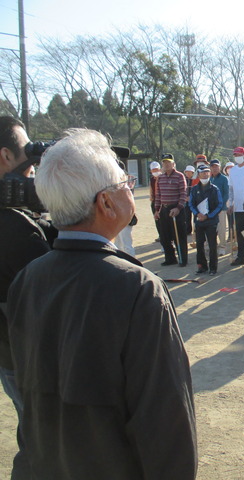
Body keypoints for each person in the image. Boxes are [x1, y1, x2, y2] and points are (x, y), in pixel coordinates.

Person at [7, 129, 197, 479]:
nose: (131, 189)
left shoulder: (28, 278)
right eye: (125, 182)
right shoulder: (138, 289)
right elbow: (166, 425)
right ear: (105, 203)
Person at [0, 116, 57, 478]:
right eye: (28, 149)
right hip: (25, 357)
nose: (33, 157)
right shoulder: (12, 226)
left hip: (12, 352)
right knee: (45, 443)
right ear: (5, 155)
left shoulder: (15, 215)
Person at [154, 154, 189, 266]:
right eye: (164, 163)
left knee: (179, 236)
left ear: (173, 164)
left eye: (169, 162)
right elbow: (158, 195)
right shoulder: (161, 177)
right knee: (165, 237)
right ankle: (170, 259)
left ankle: (182, 259)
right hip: (164, 209)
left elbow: (183, 194)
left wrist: (178, 208)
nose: (166, 165)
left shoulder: (179, 176)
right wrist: (156, 210)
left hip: (176, 209)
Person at [190, 164, 223, 275]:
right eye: (203, 172)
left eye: (207, 172)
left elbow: (220, 205)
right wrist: (197, 214)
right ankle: (202, 266)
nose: (205, 174)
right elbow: (191, 204)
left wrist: (208, 216)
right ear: (198, 174)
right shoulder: (194, 189)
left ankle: (213, 268)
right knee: (199, 245)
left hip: (211, 222)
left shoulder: (215, 189)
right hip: (199, 221)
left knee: (212, 245)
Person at [210, 159, 229, 256]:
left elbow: (226, 193)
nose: (215, 168)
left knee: (221, 228)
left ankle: (222, 247)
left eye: (216, 166)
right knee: (212, 228)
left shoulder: (224, 178)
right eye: (213, 166)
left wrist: (220, 205)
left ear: (220, 167)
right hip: (210, 209)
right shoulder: (209, 179)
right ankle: (213, 246)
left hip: (221, 208)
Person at [149, 160, 162, 242]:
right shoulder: (151, 179)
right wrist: (151, 196)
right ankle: (160, 235)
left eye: (156, 170)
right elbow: (151, 188)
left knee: (163, 220)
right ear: (151, 171)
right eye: (154, 170)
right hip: (154, 201)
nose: (155, 171)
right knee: (157, 220)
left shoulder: (163, 177)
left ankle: (166, 236)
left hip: (162, 201)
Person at [183, 164, 196, 235]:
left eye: (189, 172)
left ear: (193, 173)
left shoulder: (195, 180)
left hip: (193, 201)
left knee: (195, 216)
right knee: (187, 216)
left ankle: (196, 229)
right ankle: (188, 230)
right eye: (187, 172)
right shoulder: (184, 180)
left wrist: (191, 197)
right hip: (186, 201)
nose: (188, 173)